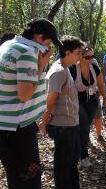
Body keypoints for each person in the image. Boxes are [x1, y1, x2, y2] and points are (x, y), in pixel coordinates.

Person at [0, 18, 60, 189]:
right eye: (48, 42)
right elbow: (25, 95)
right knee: (28, 180)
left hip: (7, 124)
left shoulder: (8, 45)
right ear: (40, 38)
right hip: (18, 129)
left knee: (15, 176)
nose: (48, 48)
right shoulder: (27, 52)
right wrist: (41, 66)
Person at [40, 35, 85, 189]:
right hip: (62, 127)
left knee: (72, 163)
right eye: (78, 52)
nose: (80, 55)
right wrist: (44, 123)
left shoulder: (65, 69)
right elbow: (50, 100)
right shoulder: (58, 71)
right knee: (63, 167)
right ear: (67, 51)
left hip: (71, 125)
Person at [69, 47, 106, 167]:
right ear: (80, 56)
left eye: (93, 56)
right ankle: (83, 156)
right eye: (88, 57)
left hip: (92, 100)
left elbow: (101, 85)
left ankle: (78, 150)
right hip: (77, 101)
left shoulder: (95, 67)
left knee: (85, 127)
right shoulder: (72, 69)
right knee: (85, 127)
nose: (91, 59)